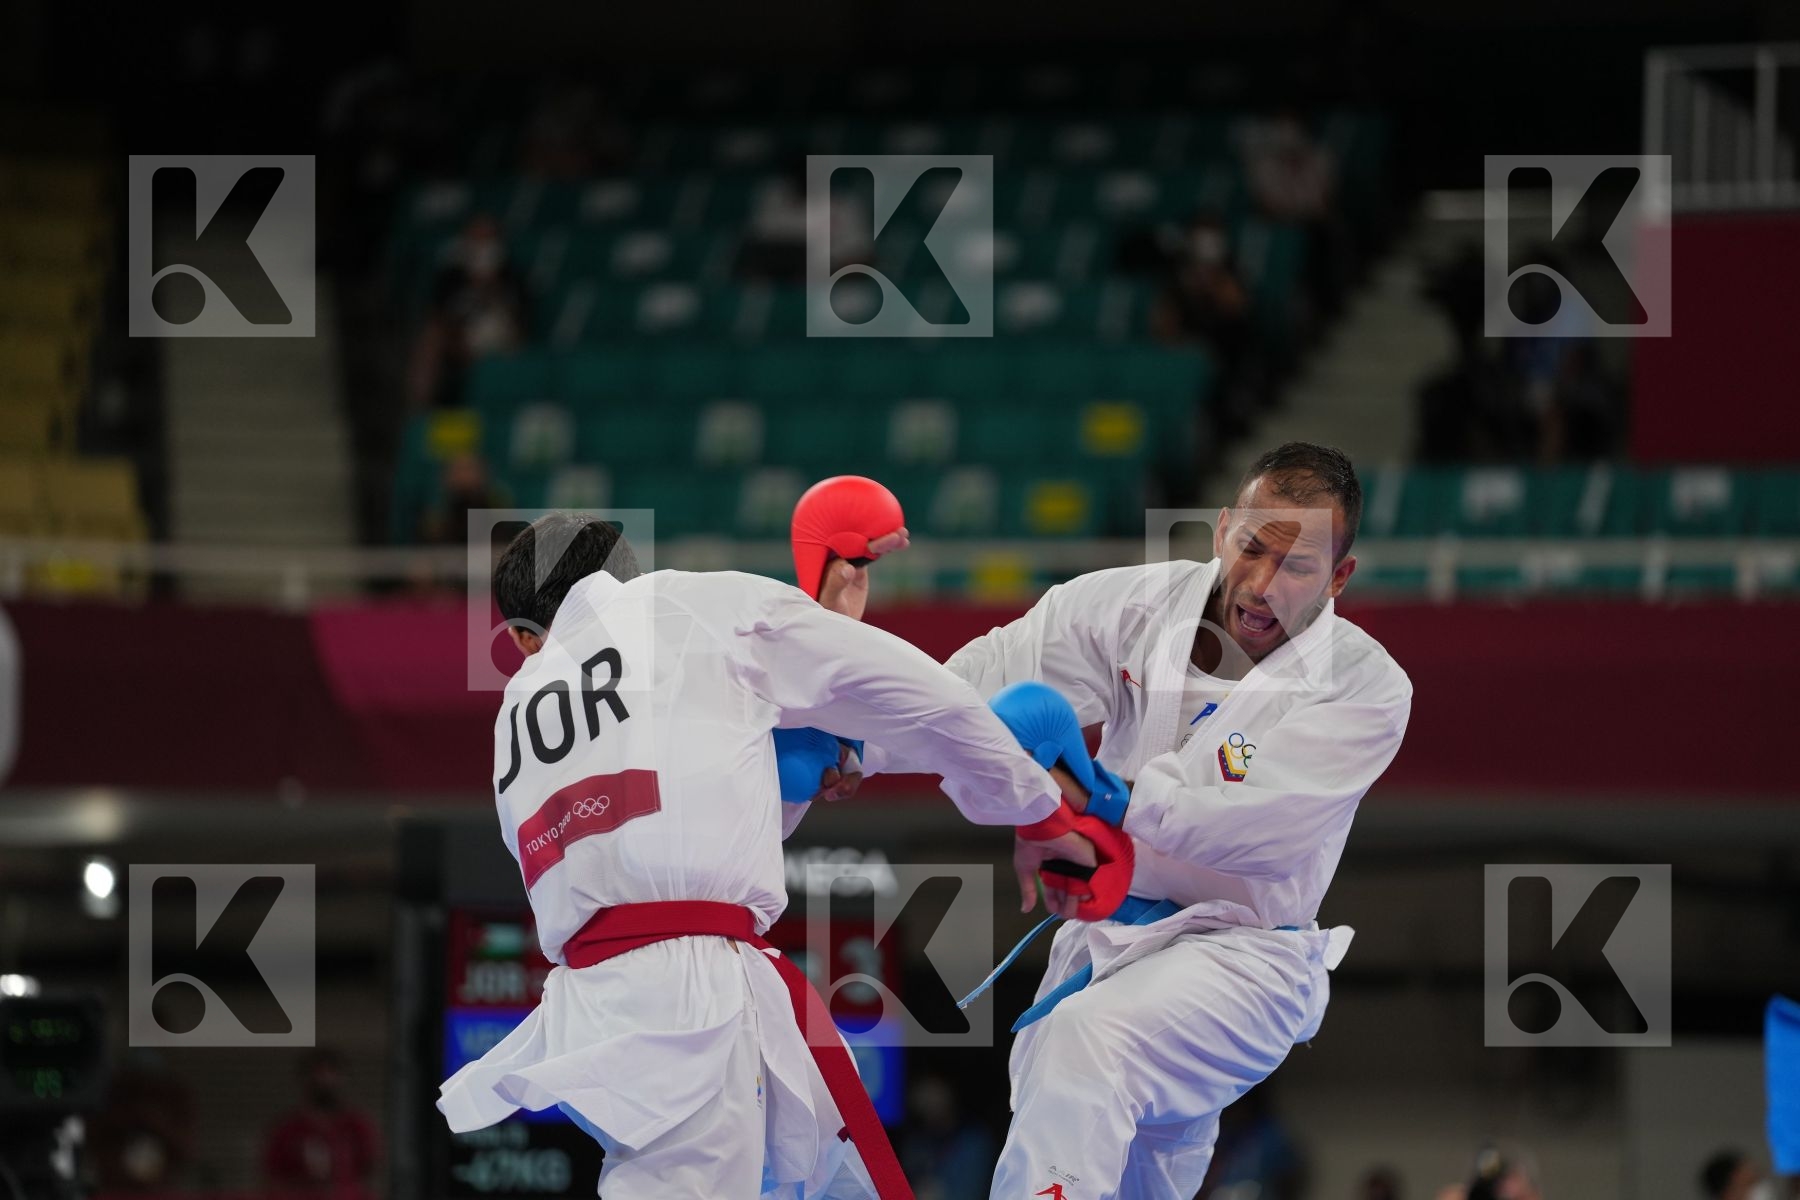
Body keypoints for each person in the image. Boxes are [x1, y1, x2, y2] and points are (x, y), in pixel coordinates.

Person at [436, 512, 1110, 1199]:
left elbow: (700, 821)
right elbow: (917, 695)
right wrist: (1041, 808)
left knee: (831, 1176)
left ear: (522, 636)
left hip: (604, 996)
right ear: (627, 576)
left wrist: (825, 730)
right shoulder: (689, 603)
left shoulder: (517, 711)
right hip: (692, 993)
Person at [875, 442, 1411, 1198]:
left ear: (1339, 576)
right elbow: (980, 682)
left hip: (1244, 959)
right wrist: (851, 742)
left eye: (1296, 567)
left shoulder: (1367, 688)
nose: (1261, 585)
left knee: (1083, 1043)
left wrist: (1103, 797)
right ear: (1223, 528)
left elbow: (1258, 826)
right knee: (1123, 1162)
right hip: (1109, 943)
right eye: (1251, 548)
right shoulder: (1134, 610)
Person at [262, 1047, 380, 1200]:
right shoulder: (286, 1130)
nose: (324, 1081)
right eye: (318, 1074)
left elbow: (370, 1171)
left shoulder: (357, 1126)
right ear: (304, 1080)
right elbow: (272, 1177)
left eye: (330, 1074)